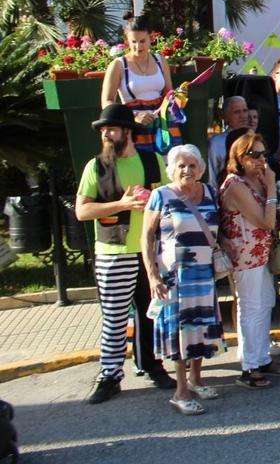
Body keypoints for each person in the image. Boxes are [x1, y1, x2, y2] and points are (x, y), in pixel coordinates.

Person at [75, 104, 172, 404]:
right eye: (103, 130)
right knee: (115, 318)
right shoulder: (96, 167)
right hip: (113, 252)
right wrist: (122, 204)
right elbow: (82, 210)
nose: (106, 133)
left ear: (127, 131)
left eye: (111, 128)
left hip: (150, 252)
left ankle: (152, 365)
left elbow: (170, 197)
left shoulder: (152, 160)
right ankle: (110, 375)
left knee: (150, 313)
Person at [140, 145, 225, 415]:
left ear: (200, 168)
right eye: (181, 166)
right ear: (172, 169)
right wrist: (152, 275)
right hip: (175, 276)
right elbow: (147, 236)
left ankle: (196, 379)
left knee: (199, 326)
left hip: (203, 273)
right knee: (180, 330)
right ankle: (180, 391)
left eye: (192, 165)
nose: (187, 170)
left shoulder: (210, 192)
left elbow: (215, 227)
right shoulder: (160, 195)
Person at [218, 132, 280, 388]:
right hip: (245, 255)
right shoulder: (236, 185)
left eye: (263, 154)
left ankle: (262, 357)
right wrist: (273, 187)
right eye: (254, 155)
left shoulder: (256, 181)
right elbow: (266, 221)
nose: (260, 160)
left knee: (265, 302)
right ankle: (249, 366)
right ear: (240, 157)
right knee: (250, 308)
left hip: (261, 253)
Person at [101, 12, 178, 154]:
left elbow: (169, 93)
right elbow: (106, 102)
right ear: (127, 41)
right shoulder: (118, 65)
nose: (138, 46)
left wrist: (178, 95)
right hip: (135, 127)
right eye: (133, 42)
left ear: (151, 38)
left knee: (169, 166)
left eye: (142, 41)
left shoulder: (160, 60)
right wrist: (133, 116)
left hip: (162, 125)